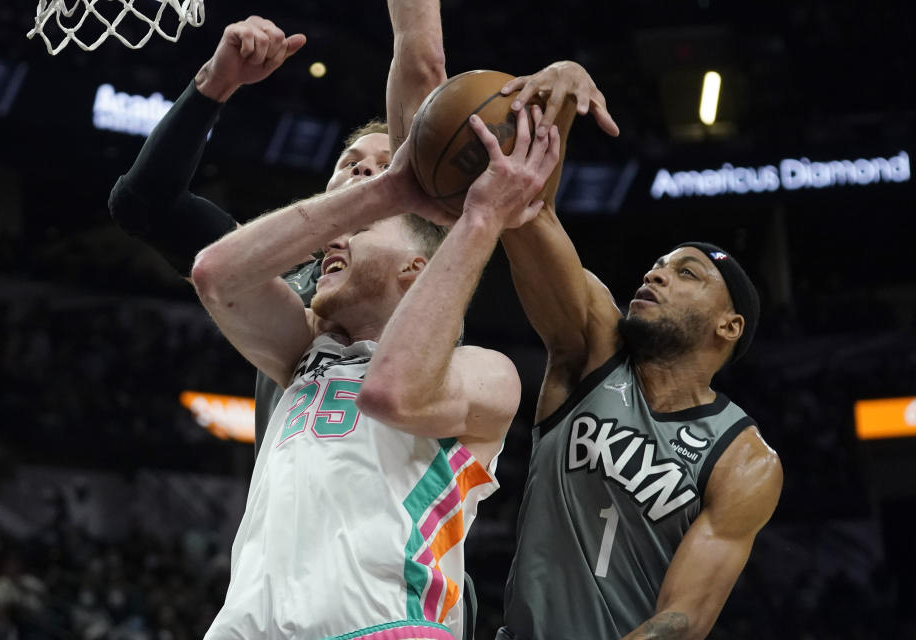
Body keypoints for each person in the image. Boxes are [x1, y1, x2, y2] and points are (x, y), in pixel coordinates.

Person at [117, 14, 562, 640]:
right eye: (350, 165)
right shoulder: (303, 312)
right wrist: (215, 84)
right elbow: (194, 252)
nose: (368, 177)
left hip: (381, 615)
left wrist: (474, 210)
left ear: (417, 260)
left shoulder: (462, 355)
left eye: (387, 168)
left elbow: (423, 65)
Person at [490, 67, 784, 639]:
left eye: (686, 272)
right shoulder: (593, 346)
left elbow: (684, 617)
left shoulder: (744, 460)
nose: (657, 274)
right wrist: (561, 106)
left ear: (729, 325)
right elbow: (530, 217)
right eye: (658, 264)